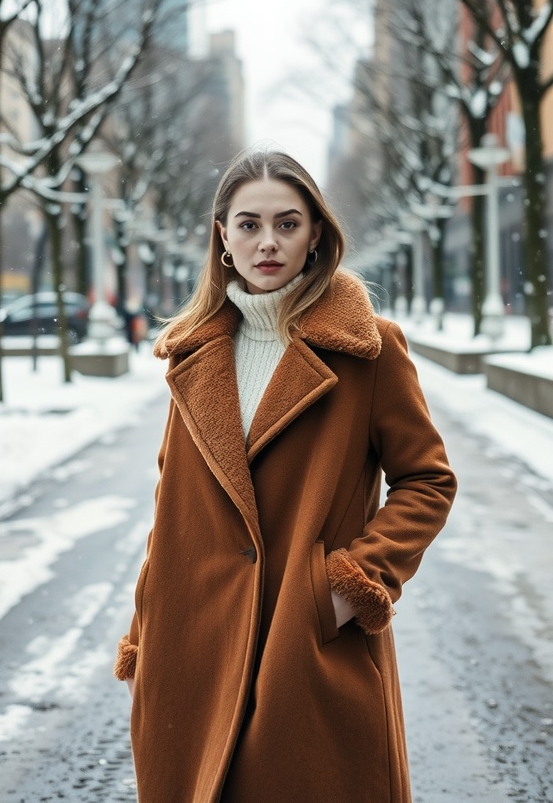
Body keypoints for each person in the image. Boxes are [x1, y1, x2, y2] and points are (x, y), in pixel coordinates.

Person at [114, 149, 457, 803]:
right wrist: (143, 638)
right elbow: (172, 513)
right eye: (248, 225)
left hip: (304, 649)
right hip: (191, 652)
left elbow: (428, 480)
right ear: (223, 237)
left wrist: (349, 585)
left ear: (316, 234)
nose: (267, 242)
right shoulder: (194, 355)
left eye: (287, 223)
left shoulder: (370, 349)